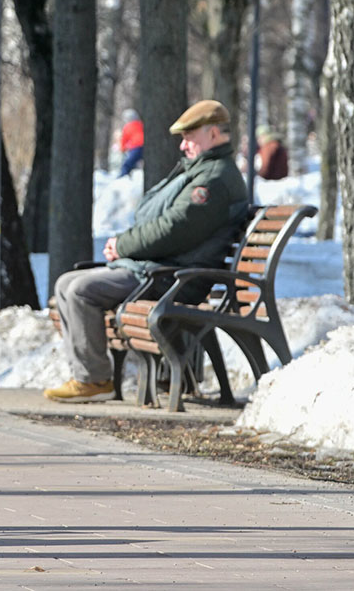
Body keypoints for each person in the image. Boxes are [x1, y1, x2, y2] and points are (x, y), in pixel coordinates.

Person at [45, 100, 249, 403]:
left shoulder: (214, 180)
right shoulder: (204, 171)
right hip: (162, 269)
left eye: (189, 136)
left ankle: (94, 379)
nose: (183, 146)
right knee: (66, 283)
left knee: (80, 291)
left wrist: (123, 245)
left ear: (214, 134)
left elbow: (175, 229)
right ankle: (90, 377)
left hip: (174, 278)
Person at [117, 108, 144, 177]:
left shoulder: (127, 127)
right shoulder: (141, 124)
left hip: (136, 147)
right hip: (144, 146)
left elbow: (124, 139)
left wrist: (122, 149)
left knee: (127, 164)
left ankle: (123, 177)